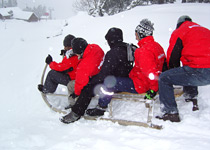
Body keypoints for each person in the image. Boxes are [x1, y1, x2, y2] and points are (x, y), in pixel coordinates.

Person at [86, 19, 166, 116]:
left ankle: (101, 107)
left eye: (136, 34)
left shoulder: (143, 51)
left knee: (109, 82)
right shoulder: (157, 46)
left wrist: (153, 89)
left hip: (141, 84)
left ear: (141, 34)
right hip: (145, 80)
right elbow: (162, 65)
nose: (135, 37)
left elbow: (150, 72)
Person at [60, 27, 134, 123]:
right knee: (92, 84)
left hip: (114, 82)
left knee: (88, 88)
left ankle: (76, 113)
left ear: (111, 40)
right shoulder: (127, 47)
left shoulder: (112, 53)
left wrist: (91, 82)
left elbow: (104, 74)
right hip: (125, 78)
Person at [157, 15, 210, 122]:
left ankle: (170, 113)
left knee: (164, 78)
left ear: (178, 25)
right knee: (188, 69)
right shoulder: (205, 30)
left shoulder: (180, 31)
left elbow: (173, 56)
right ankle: (191, 97)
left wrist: (171, 71)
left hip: (199, 71)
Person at [64, 37, 105, 109]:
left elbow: (80, 83)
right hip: (101, 75)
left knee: (70, 85)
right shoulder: (96, 47)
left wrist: (76, 94)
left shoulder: (83, 65)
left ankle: (74, 105)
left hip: (94, 83)